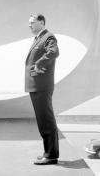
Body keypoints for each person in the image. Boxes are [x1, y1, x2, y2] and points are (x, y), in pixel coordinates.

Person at [25, 13, 59, 165]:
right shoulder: (39, 38)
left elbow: (54, 52)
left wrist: (38, 64)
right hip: (36, 85)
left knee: (46, 120)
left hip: (42, 86)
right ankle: (48, 152)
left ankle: (51, 155)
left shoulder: (48, 37)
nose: (29, 25)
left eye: (32, 22)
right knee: (42, 121)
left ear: (42, 22)